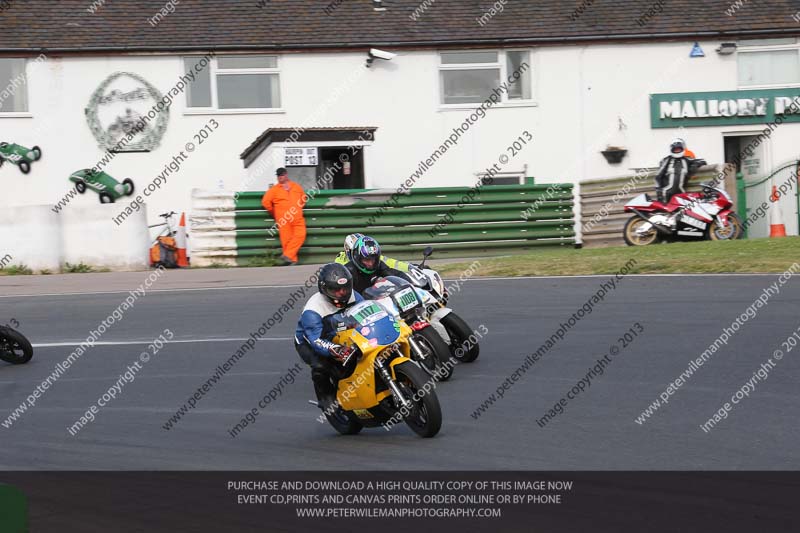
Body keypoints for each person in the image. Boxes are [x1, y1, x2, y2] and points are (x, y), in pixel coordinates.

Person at [295, 263, 361, 411]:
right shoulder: (313, 310)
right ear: (324, 289)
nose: (342, 293)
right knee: (321, 365)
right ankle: (325, 397)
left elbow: (367, 313)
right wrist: (336, 349)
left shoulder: (354, 296)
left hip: (340, 333)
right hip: (311, 341)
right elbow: (316, 341)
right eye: (335, 290)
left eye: (345, 288)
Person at [261, 168, 307, 265]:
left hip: (297, 217)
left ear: (286, 175)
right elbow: (265, 202)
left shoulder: (296, 187)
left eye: (281, 175)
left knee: (301, 235)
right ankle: (292, 260)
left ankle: (288, 255)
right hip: (283, 219)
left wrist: (297, 209)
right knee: (286, 240)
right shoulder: (274, 190)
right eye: (278, 175)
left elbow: (303, 199)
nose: (280, 177)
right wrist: (274, 213)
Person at [340, 236, 412, 293]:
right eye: (367, 260)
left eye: (373, 259)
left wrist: (410, 284)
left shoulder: (379, 265)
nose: (370, 264)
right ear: (358, 258)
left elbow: (394, 274)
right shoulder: (348, 272)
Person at [654, 138, 706, 203]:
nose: (677, 151)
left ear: (682, 149)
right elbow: (658, 176)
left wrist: (694, 165)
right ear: (672, 149)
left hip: (681, 193)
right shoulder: (666, 160)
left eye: (678, 149)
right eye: (675, 149)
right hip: (666, 193)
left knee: (684, 212)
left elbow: (702, 161)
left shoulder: (687, 159)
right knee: (665, 212)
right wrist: (658, 190)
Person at [334, 233, 411, 273]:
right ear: (349, 251)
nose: (370, 263)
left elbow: (391, 262)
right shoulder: (340, 263)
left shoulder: (370, 255)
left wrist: (409, 267)